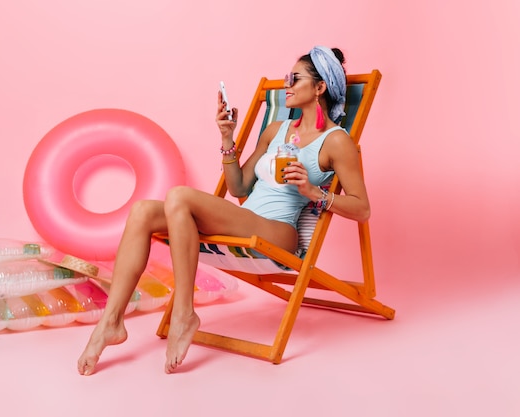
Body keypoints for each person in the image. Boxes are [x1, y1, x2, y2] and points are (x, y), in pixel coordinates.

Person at [77, 46, 370, 375]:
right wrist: (228, 138)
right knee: (143, 211)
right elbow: (240, 188)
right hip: (246, 220)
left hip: (278, 231)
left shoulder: (336, 142)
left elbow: (362, 209)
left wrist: (315, 193)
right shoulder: (275, 132)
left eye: (295, 78)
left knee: (179, 197)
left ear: (320, 88)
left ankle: (184, 314)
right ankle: (111, 322)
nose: (286, 84)